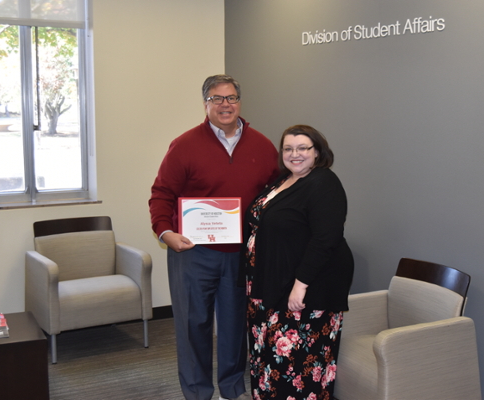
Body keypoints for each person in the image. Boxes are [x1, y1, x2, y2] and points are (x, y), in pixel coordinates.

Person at [149, 74, 280, 400]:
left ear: (239, 102)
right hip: (193, 252)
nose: (225, 104)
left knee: (236, 327)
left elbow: (275, 196)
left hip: (241, 254)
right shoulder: (184, 145)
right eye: (217, 98)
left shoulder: (262, 146)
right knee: (194, 325)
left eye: (231, 98)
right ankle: (196, 393)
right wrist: (166, 234)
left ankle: (232, 390)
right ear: (206, 103)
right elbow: (161, 194)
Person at [240, 124, 354, 399]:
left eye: (303, 148)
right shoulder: (283, 180)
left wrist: (300, 285)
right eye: (289, 148)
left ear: (318, 152)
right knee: (266, 359)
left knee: (297, 366)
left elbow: (325, 239)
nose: (295, 154)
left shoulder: (324, 183)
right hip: (269, 286)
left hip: (304, 291)